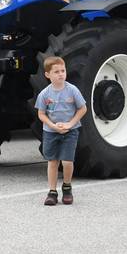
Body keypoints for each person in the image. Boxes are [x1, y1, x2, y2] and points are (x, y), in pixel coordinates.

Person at [36, 56, 87, 206]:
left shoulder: (72, 90)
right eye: (56, 71)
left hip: (70, 132)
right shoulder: (44, 94)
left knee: (67, 161)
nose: (61, 74)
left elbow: (83, 108)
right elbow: (41, 114)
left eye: (63, 71)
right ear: (48, 75)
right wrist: (52, 126)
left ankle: (67, 187)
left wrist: (70, 124)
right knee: (52, 161)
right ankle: (52, 192)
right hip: (51, 132)